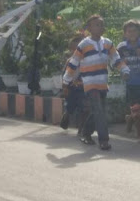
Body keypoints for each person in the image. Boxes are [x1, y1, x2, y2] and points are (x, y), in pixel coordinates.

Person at [64, 14, 130, 150]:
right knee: (99, 111)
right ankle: (103, 140)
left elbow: (116, 59)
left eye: (101, 24)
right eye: (96, 25)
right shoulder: (84, 44)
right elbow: (73, 62)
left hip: (102, 83)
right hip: (90, 84)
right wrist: (66, 80)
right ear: (89, 28)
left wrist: (124, 70)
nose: (100, 27)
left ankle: (86, 133)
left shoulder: (107, 43)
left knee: (97, 111)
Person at [60, 35, 91, 136]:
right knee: (71, 107)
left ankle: (81, 128)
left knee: (85, 109)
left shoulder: (89, 60)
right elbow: (65, 75)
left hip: (85, 89)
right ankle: (67, 115)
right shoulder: (70, 61)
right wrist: (65, 87)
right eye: (73, 49)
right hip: (72, 88)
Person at [117, 20, 140, 136]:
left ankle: (130, 119)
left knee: (137, 110)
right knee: (136, 109)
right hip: (131, 83)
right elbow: (116, 62)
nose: (132, 33)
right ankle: (134, 122)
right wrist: (122, 68)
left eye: (135, 31)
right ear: (125, 33)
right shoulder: (121, 47)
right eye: (129, 31)